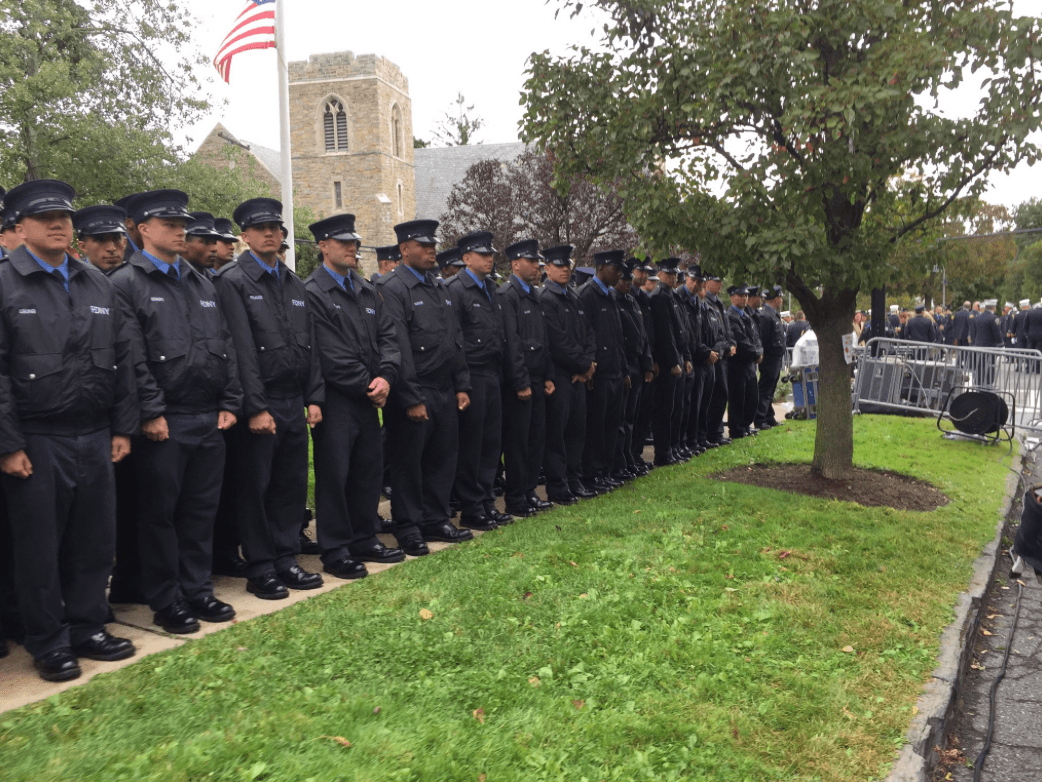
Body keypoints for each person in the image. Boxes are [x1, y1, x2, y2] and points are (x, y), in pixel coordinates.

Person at [0, 179, 138, 681]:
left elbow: (122, 358)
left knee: (94, 540)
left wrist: (123, 426)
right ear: (20, 226)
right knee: (39, 548)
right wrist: (8, 443)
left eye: (64, 215)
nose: (60, 224)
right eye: (45, 218)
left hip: (94, 432)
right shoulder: (6, 283)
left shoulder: (94, 281)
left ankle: (87, 626)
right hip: (38, 437)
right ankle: (49, 640)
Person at [111, 189, 242, 635]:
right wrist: (150, 411)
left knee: (200, 511)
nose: (180, 229)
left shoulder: (200, 280)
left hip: (208, 415)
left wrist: (230, 401)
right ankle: (166, 599)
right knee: (160, 516)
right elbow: (131, 357)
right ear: (143, 229)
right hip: (165, 418)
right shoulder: (126, 283)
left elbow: (223, 345)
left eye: (182, 223)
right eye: (169, 224)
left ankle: (198, 589)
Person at [212, 198, 327, 596]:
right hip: (259, 404)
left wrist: (313, 396)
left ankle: (285, 558)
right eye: (261, 229)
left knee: (290, 484)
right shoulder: (232, 281)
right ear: (244, 236)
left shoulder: (292, 281)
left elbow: (308, 344)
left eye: (276, 229)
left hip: (293, 399)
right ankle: (261, 566)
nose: (270, 234)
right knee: (256, 489)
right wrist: (255, 407)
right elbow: (240, 350)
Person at [304, 213, 404, 577]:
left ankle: (365, 538)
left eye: (354, 242)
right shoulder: (313, 292)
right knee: (335, 475)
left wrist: (387, 376)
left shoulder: (365, 289)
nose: (352, 247)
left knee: (367, 471)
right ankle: (335, 549)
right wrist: (369, 384)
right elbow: (327, 353)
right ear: (323, 246)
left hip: (369, 396)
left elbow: (389, 338)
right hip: (337, 400)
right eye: (343, 242)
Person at [378, 220, 473, 553]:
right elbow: (398, 348)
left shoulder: (438, 286)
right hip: (414, 391)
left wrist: (461, 384)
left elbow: (454, 338)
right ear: (405, 249)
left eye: (433, 244)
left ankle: (435, 519)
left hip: (444, 388)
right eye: (423, 245)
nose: (432, 250)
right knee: (408, 463)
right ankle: (408, 526)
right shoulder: (392, 287)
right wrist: (410, 397)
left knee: (442, 458)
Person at [446, 231, 511, 529]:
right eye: (484, 255)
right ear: (467, 258)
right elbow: (455, 339)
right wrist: (462, 384)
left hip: (492, 374)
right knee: (472, 446)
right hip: (472, 374)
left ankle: (485, 501)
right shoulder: (456, 289)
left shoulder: (491, 288)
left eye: (491, 254)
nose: (490, 259)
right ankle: (472, 507)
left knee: (490, 444)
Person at [499, 239, 556, 516]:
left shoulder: (534, 293)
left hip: (536, 377)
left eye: (537, 262)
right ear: (515, 264)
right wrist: (521, 382)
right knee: (518, 442)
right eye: (531, 262)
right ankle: (516, 497)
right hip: (520, 383)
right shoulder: (508, 294)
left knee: (536, 438)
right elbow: (512, 342)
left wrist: (546, 375)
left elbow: (542, 339)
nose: (537, 266)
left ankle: (529, 490)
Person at [539, 245, 597, 504]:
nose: (565, 270)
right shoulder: (546, 299)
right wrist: (584, 364)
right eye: (559, 266)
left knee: (577, 432)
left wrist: (589, 364)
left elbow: (589, 334)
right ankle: (558, 486)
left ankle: (574, 480)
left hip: (579, 376)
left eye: (567, 266)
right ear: (547, 268)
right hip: (561, 375)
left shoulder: (574, 297)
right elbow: (556, 341)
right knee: (557, 435)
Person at [579, 250, 627, 488]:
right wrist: (589, 364)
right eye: (615, 268)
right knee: (596, 427)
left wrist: (624, 370)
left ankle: (606, 471)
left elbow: (618, 337)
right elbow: (585, 333)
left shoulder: (610, 295)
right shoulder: (588, 294)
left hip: (614, 372)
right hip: (598, 374)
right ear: (600, 267)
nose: (619, 273)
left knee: (611, 425)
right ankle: (593, 473)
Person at [614, 261, 654, 476]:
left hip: (638, 364)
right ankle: (622, 459)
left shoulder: (633, 301)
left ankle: (631, 456)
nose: (628, 284)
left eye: (630, 280)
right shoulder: (615, 302)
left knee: (633, 417)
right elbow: (618, 340)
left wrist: (647, 364)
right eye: (624, 280)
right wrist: (626, 370)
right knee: (622, 419)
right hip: (625, 364)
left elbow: (643, 335)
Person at [726, 285, 761, 439]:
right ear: (732, 297)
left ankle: (746, 424)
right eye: (740, 295)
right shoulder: (730, 316)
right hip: (738, 363)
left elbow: (755, 337)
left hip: (749, 363)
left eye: (746, 295)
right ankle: (737, 428)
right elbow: (741, 340)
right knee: (738, 397)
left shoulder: (747, 314)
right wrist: (756, 353)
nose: (744, 298)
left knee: (751, 396)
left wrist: (759, 352)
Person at [755, 286, 786, 430]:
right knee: (766, 389)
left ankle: (768, 416)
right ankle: (760, 419)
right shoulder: (766, 315)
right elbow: (764, 337)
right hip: (769, 357)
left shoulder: (772, 313)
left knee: (771, 388)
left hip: (775, 357)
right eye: (780, 297)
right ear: (776, 298)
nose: (782, 300)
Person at [73, 205, 128, 274]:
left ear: (124, 242)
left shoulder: (139, 275)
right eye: (100, 240)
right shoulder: (73, 280)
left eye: (116, 238)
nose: (111, 248)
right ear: (83, 247)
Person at [182, 212, 220, 277]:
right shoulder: (170, 279)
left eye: (214, 243)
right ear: (184, 243)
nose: (214, 249)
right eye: (206, 242)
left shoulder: (215, 279)